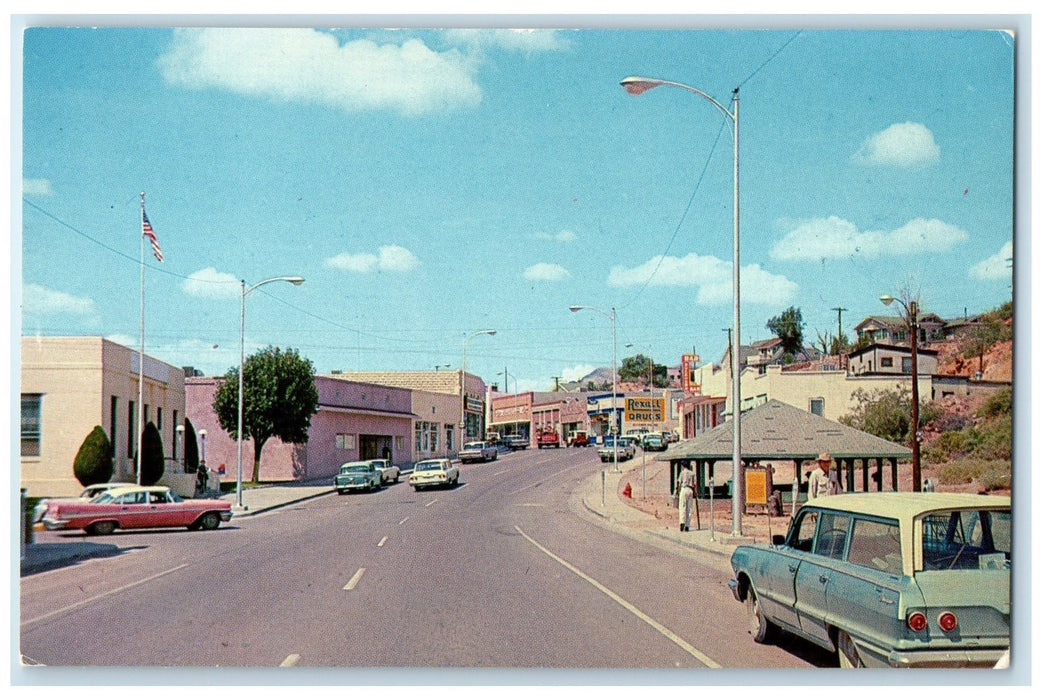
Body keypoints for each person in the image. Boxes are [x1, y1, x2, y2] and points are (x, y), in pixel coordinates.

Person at [675, 462, 696, 532]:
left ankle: (682, 522)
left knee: (682, 507)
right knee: (689, 508)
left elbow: (679, 482)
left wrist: (677, 491)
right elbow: (695, 484)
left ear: (683, 466)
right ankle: (687, 525)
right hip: (690, 490)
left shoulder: (682, 473)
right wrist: (695, 492)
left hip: (684, 489)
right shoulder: (692, 473)